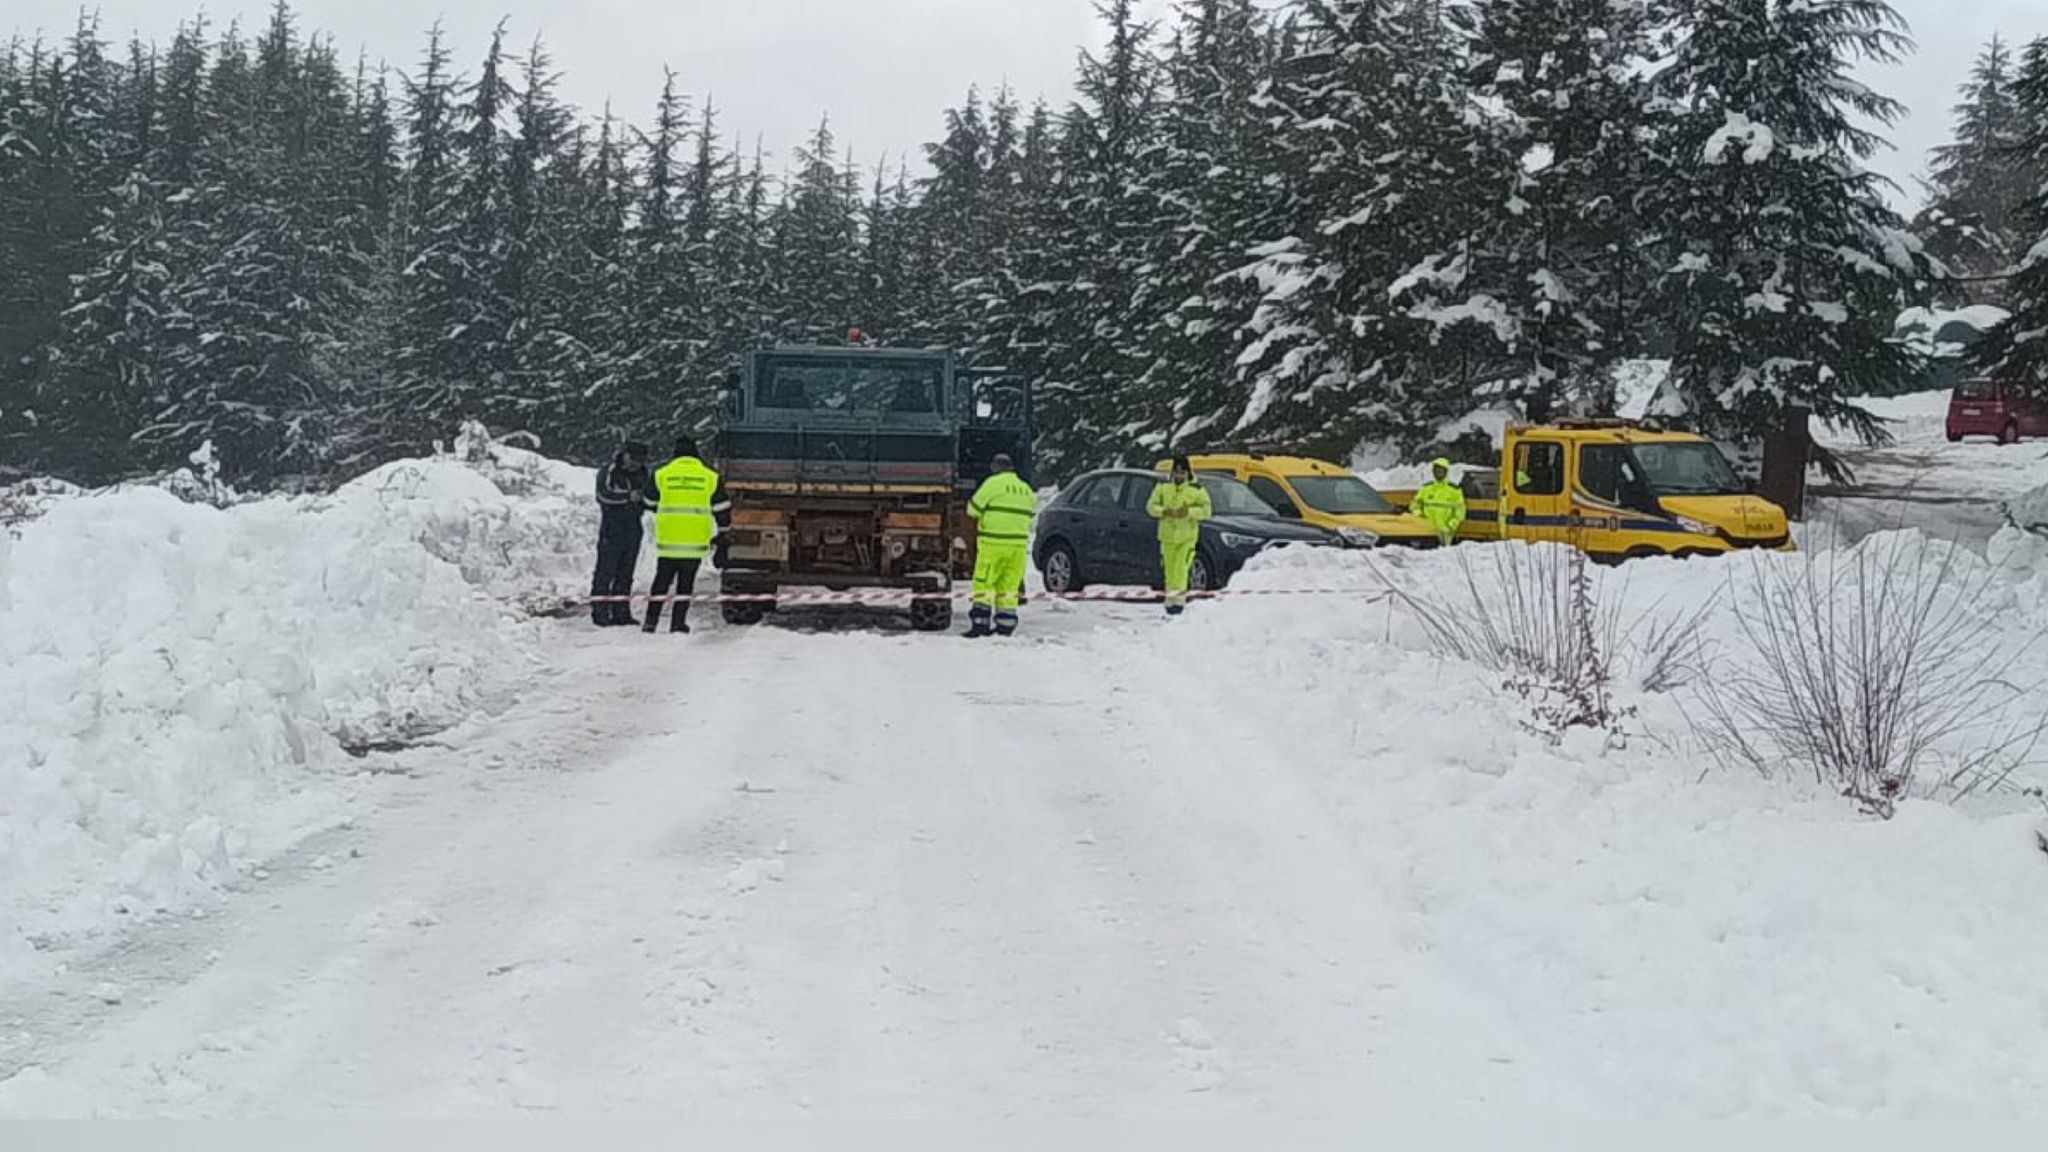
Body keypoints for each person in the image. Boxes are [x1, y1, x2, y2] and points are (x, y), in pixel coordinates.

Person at [644, 435, 731, 635]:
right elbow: (721, 507)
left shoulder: (662, 474)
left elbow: (648, 502)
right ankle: (678, 624)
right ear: (695, 453)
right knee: (685, 584)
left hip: (668, 540)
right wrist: (724, 529)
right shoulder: (710, 477)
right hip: (694, 542)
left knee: (661, 582)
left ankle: (650, 621)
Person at [964, 453, 1035, 638]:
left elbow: (972, 509)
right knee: (1009, 585)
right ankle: (1005, 625)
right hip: (1018, 547)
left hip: (993, 543)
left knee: (984, 583)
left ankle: (980, 624)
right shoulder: (1025, 489)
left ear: (995, 467)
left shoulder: (992, 484)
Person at [590, 441, 653, 627]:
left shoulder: (643, 473)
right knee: (606, 570)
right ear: (624, 455)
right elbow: (602, 495)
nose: (635, 464)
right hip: (612, 525)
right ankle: (600, 611)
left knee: (626, 572)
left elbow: (648, 496)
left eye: (640, 461)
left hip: (633, 525)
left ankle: (621, 611)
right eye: (633, 459)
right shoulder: (610, 471)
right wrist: (627, 497)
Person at [1146, 456, 1213, 616]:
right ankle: (1170, 606)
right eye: (1176, 472)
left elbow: (1207, 511)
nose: (1179, 475)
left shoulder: (1197, 490)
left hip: (1186, 538)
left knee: (1181, 571)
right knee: (1170, 573)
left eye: (1182, 472)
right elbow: (1150, 507)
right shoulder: (1163, 487)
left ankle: (1179, 606)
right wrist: (1164, 511)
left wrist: (1188, 512)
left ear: (1188, 472)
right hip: (1167, 537)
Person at [1412, 457, 1467, 545]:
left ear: (1446, 471)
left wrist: (1450, 526)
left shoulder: (1454, 490)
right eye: (1436, 470)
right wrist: (1420, 519)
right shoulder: (1426, 488)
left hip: (1445, 533)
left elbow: (1460, 512)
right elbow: (1415, 506)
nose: (1438, 472)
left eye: (1440, 470)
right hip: (1426, 532)